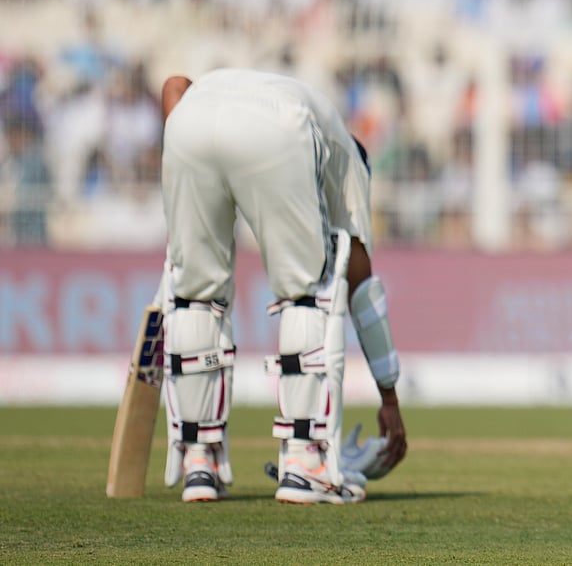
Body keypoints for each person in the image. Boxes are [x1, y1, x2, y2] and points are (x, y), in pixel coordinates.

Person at [158, 68, 408, 504]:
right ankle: (304, 462)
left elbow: (174, 86)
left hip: (187, 123)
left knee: (195, 296)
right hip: (274, 131)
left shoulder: (271, 98)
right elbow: (362, 289)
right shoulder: (350, 163)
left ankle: (199, 462)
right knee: (306, 290)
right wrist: (390, 400)